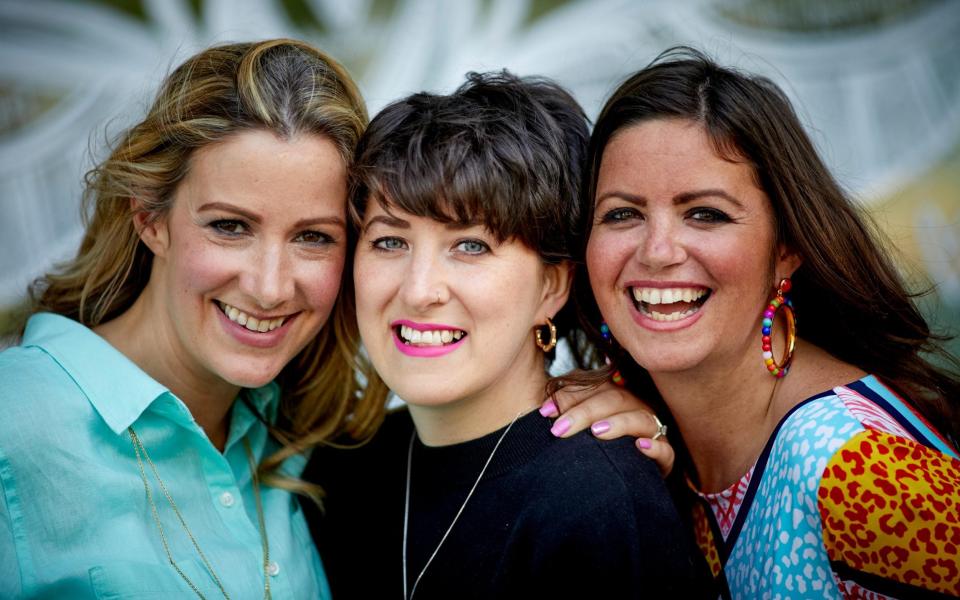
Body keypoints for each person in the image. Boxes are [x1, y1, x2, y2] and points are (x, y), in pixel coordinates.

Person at [557, 46, 960, 598]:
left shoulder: (856, 465)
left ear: (786, 249)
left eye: (706, 214)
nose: (656, 251)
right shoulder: (649, 440)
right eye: (621, 213)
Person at [0, 38, 388, 599]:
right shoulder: (15, 426)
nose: (270, 286)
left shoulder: (318, 441)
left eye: (313, 237)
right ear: (150, 218)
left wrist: (550, 408)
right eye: (230, 226)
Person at [307, 71, 712, 599]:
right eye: (389, 242)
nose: (419, 289)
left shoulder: (599, 501)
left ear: (551, 285)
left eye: (471, 246)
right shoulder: (339, 475)